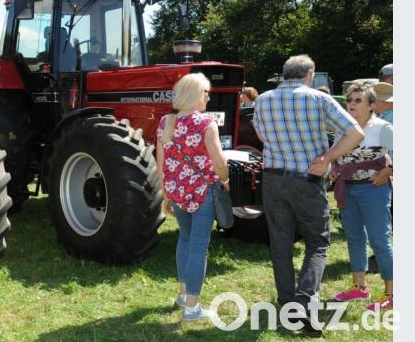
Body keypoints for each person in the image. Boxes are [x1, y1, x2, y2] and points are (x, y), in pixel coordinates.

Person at [253, 54, 364, 334]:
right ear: (309, 74)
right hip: (308, 178)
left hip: (273, 178)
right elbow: (355, 133)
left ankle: (288, 306)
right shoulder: (318, 99)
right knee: (317, 243)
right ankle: (303, 303)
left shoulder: (263, 99)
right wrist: (327, 157)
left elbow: (261, 135)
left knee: (280, 244)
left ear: (284, 74)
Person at [156, 73, 230, 322]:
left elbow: (161, 163)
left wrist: (166, 192)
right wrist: (225, 178)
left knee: (185, 241)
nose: (208, 97)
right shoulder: (206, 123)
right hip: (202, 193)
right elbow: (219, 162)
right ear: (197, 95)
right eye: (206, 92)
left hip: (177, 191)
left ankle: (182, 294)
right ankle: (192, 307)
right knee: (199, 246)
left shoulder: (166, 122)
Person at [331, 84, 393, 311]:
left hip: (374, 190)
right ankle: (359, 288)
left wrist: (387, 172)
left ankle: (392, 294)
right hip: (348, 189)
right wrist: (335, 168)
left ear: (372, 105)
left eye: (358, 100)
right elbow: (337, 157)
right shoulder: (343, 129)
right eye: (350, 100)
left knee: (379, 240)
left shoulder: (384, 128)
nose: (352, 104)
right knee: (355, 237)